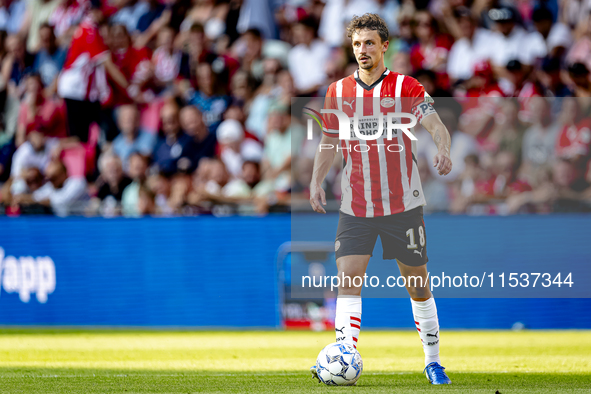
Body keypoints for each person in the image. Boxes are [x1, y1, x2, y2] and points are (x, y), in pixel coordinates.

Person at [309, 14, 452, 385]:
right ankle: (345, 353)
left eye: (369, 43)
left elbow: (434, 122)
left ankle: (433, 361)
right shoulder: (337, 92)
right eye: (357, 44)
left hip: (402, 205)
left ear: (384, 46)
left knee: (417, 285)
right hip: (356, 205)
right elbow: (328, 141)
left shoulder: (406, 86)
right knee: (348, 278)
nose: (363, 50)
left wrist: (443, 148)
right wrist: (316, 181)